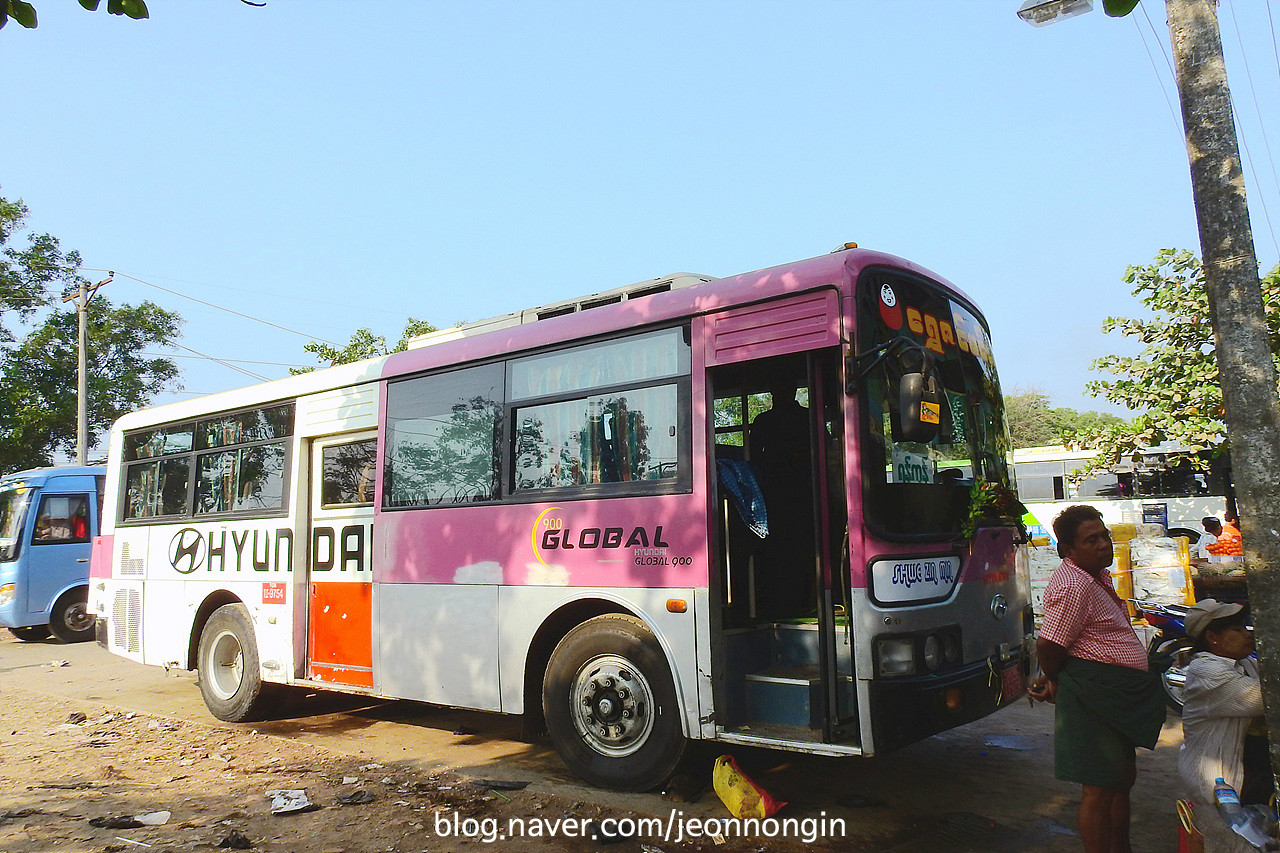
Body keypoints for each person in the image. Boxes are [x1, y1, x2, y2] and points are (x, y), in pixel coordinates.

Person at [1029, 505, 1166, 853]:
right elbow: (1049, 644)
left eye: (1104, 536)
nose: (1104, 544)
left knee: (1121, 781)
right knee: (1099, 789)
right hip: (1094, 695)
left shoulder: (1096, 577)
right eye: (1092, 540)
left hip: (1115, 693)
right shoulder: (1074, 585)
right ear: (1068, 551)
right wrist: (1054, 678)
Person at [1179, 599, 1270, 853]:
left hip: (1248, 772)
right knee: (1233, 845)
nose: (1246, 634)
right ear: (1213, 638)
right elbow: (1263, 698)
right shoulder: (1206, 672)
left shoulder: (1245, 663)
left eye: (1245, 628)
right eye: (1237, 629)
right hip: (1219, 782)